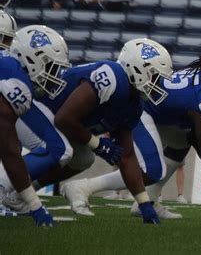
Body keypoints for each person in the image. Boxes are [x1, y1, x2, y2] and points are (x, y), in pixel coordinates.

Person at [62, 55, 201, 223]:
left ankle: (149, 200)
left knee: (181, 141)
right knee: (152, 170)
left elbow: (198, 139)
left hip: (159, 112)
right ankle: (83, 187)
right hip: (142, 108)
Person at [5, 38, 173, 225]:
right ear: (139, 69)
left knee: (83, 158)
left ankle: (18, 196)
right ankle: (4, 186)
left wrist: (144, 203)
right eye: (155, 76)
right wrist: (97, 144)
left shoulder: (134, 105)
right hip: (33, 110)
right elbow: (64, 119)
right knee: (62, 149)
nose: (158, 85)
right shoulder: (112, 76)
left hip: (53, 123)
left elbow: (127, 156)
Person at [0, 25, 72, 227]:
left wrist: (35, 205)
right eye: (51, 67)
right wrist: (36, 207)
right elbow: (10, 152)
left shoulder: (8, 67)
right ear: (32, 60)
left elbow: (9, 151)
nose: (55, 75)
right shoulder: (17, 84)